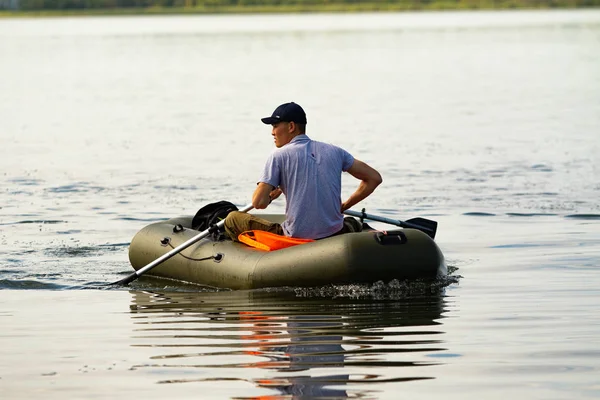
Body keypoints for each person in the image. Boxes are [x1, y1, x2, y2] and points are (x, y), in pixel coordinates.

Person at [224, 102, 382, 241]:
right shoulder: (335, 151)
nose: (272, 132)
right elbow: (374, 178)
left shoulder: (278, 155)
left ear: (291, 126)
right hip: (335, 233)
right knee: (351, 222)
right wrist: (345, 206)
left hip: (296, 237)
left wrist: (271, 195)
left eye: (275, 126)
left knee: (232, 219)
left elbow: (259, 203)